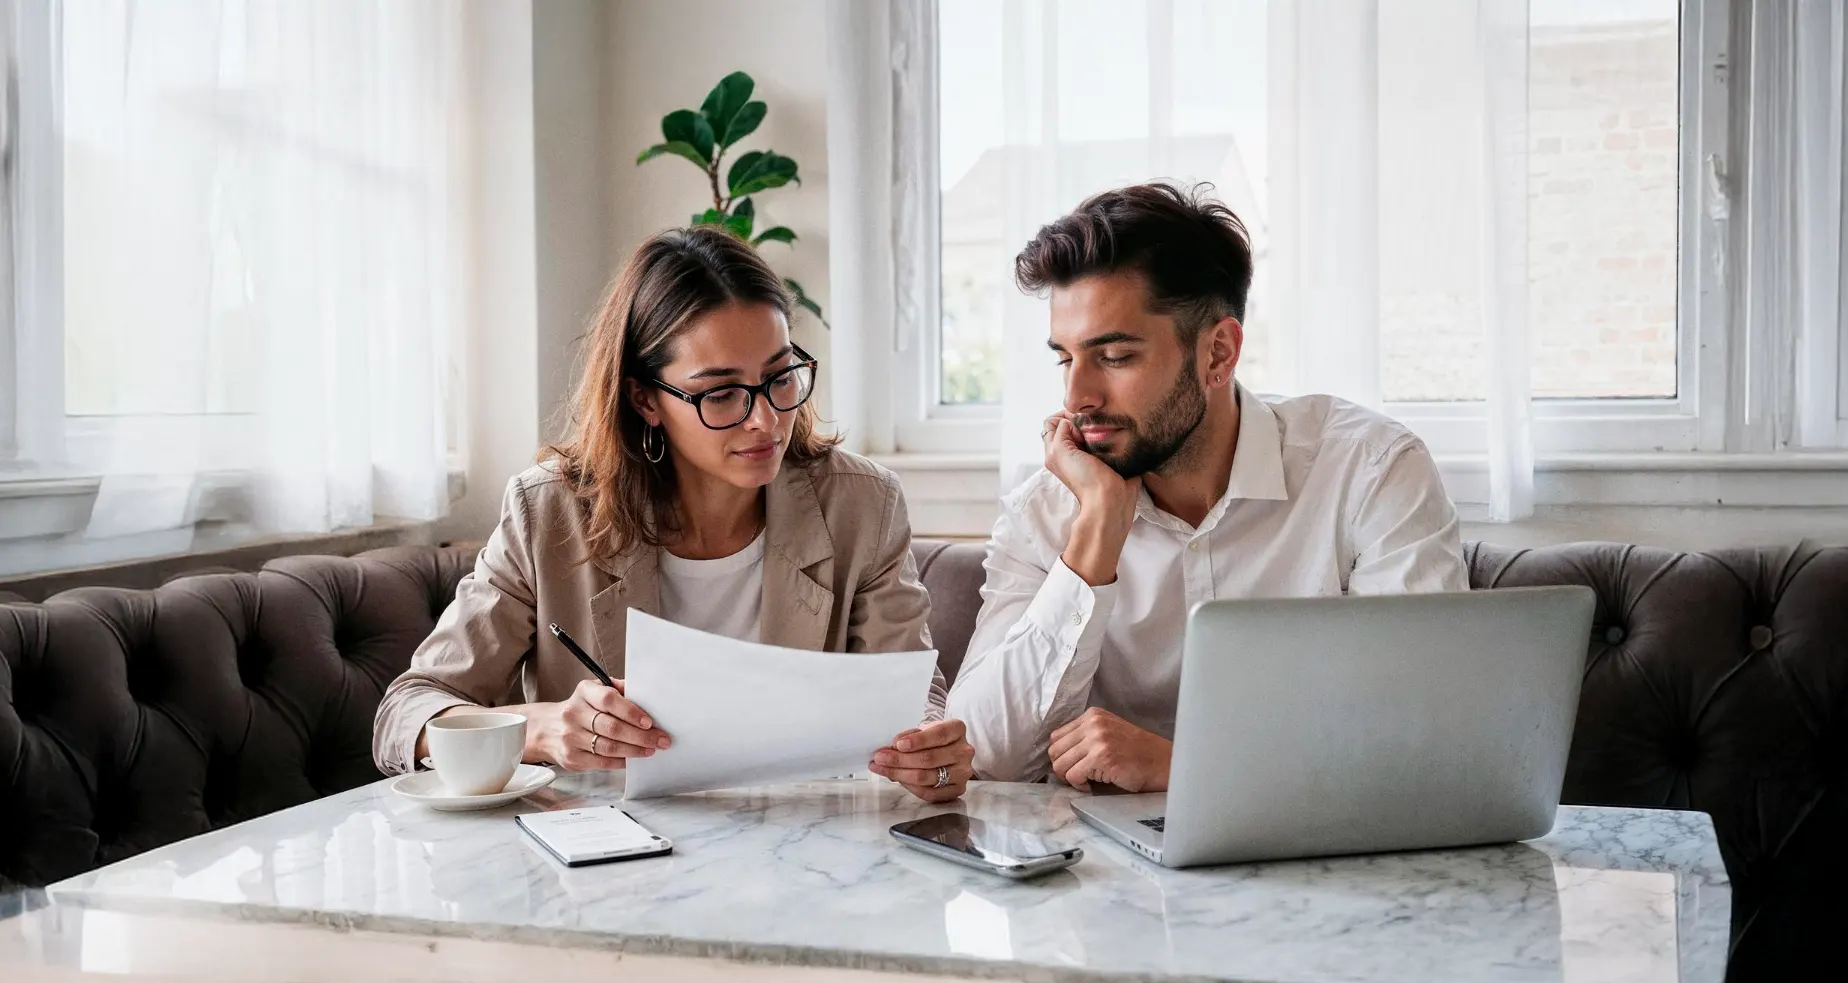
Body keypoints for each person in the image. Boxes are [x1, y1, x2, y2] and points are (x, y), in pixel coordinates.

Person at [373, 227, 973, 802]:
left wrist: (928, 746)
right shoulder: (549, 512)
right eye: (721, 393)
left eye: (780, 377)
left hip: (804, 848)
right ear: (644, 399)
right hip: (609, 857)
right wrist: (544, 729)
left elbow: (913, 692)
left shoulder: (860, 503)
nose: (765, 421)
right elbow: (410, 710)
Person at [945, 183, 1469, 790]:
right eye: (1066, 358)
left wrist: (1185, 765)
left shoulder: (1370, 471)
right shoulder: (1049, 509)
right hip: (1095, 873)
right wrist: (1094, 537)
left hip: (1320, 868)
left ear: (1217, 352)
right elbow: (984, 756)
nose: (1076, 398)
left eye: (1113, 356)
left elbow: (1423, 733)